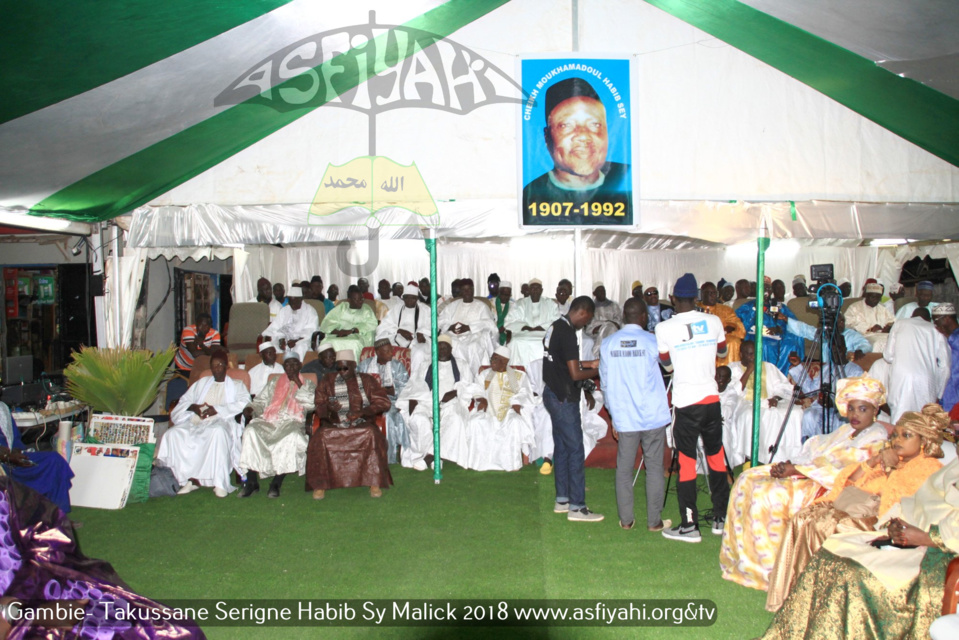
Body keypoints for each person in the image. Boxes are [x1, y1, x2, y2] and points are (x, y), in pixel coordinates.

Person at [765, 404, 946, 612]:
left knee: (827, 524)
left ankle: (822, 603)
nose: (897, 441)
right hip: (860, 507)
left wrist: (892, 471)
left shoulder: (929, 468)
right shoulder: (891, 456)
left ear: (923, 441)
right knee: (805, 517)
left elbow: (902, 505)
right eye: (895, 435)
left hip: (885, 522)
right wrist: (877, 459)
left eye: (906, 436)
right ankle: (794, 596)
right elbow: (850, 481)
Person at [720, 377, 893, 590]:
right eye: (852, 408)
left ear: (875, 410)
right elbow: (817, 447)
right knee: (748, 479)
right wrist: (791, 465)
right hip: (810, 473)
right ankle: (743, 561)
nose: (855, 414)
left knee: (768, 494)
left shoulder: (877, 437)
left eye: (862, 409)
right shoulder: (847, 430)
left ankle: (769, 570)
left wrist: (798, 470)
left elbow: (845, 469)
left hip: (832, 487)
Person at [761, 457, 959, 639]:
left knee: (854, 574)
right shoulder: (954, 466)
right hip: (911, 536)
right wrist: (896, 524)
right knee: (831, 553)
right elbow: (915, 503)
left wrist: (925, 537)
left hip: (941, 556)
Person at [654, 273, 728, 542]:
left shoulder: (663, 329)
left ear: (673, 299)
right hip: (711, 400)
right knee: (716, 459)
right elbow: (722, 354)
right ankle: (722, 518)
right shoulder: (714, 321)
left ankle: (689, 525)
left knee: (687, 464)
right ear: (696, 297)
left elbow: (667, 365)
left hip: (686, 402)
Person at [600, 298, 671, 531]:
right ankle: (654, 521)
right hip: (652, 415)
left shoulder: (608, 344)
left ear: (623, 316)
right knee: (654, 467)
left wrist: (613, 416)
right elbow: (670, 367)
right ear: (643, 317)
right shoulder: (653, 341)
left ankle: (627, 520)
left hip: (625, 416)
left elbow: (606, 384)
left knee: (624, 468)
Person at [521, 77, 630, 219]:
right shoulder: (532, 195)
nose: (583, 135)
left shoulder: (628, 180)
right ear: (547, 137)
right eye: (566, 125)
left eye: (595, 125)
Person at [158, 350, 251, 498]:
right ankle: (187, 479)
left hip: (221, 420)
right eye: (214, 366)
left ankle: (219, 482)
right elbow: (184, 401)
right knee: (173, 434)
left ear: (226, 366)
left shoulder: (236, 385)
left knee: (217, 433)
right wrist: (194, 407)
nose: (217, 368)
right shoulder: (201, 384)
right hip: (196, 420)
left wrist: (217, 410)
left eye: (221, 365)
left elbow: (245, 402)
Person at [542, 296, 603, 522]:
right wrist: (598, 371)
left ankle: (563, 499)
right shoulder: (568, 333)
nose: (586, 324)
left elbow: (563, 361)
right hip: (563, 397)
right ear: (582, 312)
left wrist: (589, 363)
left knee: (563, 447)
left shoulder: (555, 327)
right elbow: (575, 374)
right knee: (576, 448)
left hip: (552, 392)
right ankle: (577, 507)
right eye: (587, 319)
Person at [306, 351, 392, 500]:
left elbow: (384, 403)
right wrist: (329, 409)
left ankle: (374, 482)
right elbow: (319, 403)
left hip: (362, 423)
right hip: (335, 422)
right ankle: (320, 484)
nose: (341, 372)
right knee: (321, 436)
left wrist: (362, 412)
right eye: (338, 369)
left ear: (354, 366)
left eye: (345, 368)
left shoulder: (367, 380)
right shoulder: (328, 380)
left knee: (371, 434)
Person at [237, 354, 314, 499]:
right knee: (250, 431)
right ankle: (252, 482)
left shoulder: (308, 384)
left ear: (300, 365)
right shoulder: (274, 382)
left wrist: (298, 382)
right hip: (269, 419)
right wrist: (251, 408)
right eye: (287, 365)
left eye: (294, 364)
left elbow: (311, 404)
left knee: (291, 437)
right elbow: (260, 401)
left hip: (292, 421)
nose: (290, 368)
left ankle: (276, 483)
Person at [398, 335, 477, 470]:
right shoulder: (425, 365)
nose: (442, 350)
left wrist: (455, 392)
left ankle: (430, 456)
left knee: (455, 420)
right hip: (426, 402)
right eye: (439, 347)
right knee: (418, 419)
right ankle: (436, 456)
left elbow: (469, 386)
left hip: (451, 403)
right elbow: (414, 385)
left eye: (445, 347)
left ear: (451, 349)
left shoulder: (461, 365)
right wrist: (412, 401)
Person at [724, 341, 803, 467]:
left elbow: (782, 388)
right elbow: (733, 392)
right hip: (746, 403)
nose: (753, 357)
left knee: (795, 412)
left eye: (755, 354)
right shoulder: (733, 368)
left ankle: (786, 455)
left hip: (770, 401)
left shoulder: (769, 367)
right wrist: (749, 371)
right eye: (749, 354)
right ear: (741, 354)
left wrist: (775, 399)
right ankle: (750, 457)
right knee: (750, 415)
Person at [466, 345, 535, 471]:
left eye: (495, 359)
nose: (491, 362)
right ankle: (477, 463)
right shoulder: (485, 375)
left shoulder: (519, 376)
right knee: (475, 422)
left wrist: (516, 402)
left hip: (509, 412)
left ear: (505, 361)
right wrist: (481, 398)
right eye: (492, 359)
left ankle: (512, 464)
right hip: (488, 412)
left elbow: (525, 392)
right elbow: (477, 388)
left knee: (515, 423)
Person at [0, 399, 73, 513]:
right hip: (2, 465)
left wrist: (16, 452)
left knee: (54, 460)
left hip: (12, 459)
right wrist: (7, 457)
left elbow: (15, 440)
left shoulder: (2, 408)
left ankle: (59, 516)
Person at [884, 306, 950, 422]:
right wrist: (939, 392)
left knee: (899, 416)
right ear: (929, 319)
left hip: (901, 377)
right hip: (926, 380)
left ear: (911, 316)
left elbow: (888, 356)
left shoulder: (900, 323)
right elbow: (945, 366)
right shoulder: (935, 329)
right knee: (923, 420)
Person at [358, 339, 411, 465]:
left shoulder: (397, 365)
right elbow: (357, 385)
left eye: (391, 350)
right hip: (368, 402)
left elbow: (405, 387)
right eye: (386, 352)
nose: (391, 354)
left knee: (387, 416)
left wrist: (392, 391)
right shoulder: (365, 365)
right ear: (377, 352)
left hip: (391, 401)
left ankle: (389, 457)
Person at [735, 288, 804, 374]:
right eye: (763, 288)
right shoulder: (749, 306)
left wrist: (778, 328)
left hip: (778, 336)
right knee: (764, 344)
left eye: (768, 289)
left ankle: (781, 376)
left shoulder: (779, 306)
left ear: (771, 291)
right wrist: (754, 311)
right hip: (755, 335)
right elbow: (737, 321)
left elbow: (792, 321)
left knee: (791, 344)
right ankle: (763, 375)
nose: (766, 291)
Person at [437, 279, 497, 375]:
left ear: (473, 290)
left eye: (469, 289)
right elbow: (440, 321)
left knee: (473, 347)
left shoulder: (482, 306)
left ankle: (474, 378)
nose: (467, 292)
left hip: (474, 335)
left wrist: (470, 327)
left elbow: (489, 323)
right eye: (464, 290)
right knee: (451, 345)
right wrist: (450, 326)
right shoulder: (453, 305)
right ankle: (454, 376)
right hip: (454, 335)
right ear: (460, 291)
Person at [377, 283, 432, 375]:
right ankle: (389, 376)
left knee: (419, 353)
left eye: (413, 298)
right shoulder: (396, 309)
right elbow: (384, 324)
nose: (409, 301)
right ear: (403, 298)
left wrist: (421, 332)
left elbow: (433, 324)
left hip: (418, 340)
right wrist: (398, 330)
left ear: (417, 299)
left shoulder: (425, 310)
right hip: (397, 337)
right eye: (407, 298)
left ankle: (414, 378)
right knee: (383, 344)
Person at [504, 278, 560, 367]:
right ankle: (517, 371)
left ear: (541, 290)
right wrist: (524, 326)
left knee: (550, 343)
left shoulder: (550, 303)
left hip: (544, 333)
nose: (535, 291)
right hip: (523, 333)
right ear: (529, 290)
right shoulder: (520, 303)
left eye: (537, 288)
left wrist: (542, 327)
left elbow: (557, 320)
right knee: (514, 342)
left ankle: (544, 371)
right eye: (533, 288)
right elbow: (509, 320)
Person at [261, 285, 319, 362]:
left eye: (295, 302)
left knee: (299, 348)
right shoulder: (284, 310)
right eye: (290, 302)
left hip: (302, 341)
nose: (292, 305)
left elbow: (310, 331)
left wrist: (295, 341)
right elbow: (276, 327)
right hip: (286, 340)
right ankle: (280, 370)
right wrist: (281, 339)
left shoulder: (310, 311)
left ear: (301, 299)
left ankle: (296, 370)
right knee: (272, 346)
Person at [319, 285, 377, 361]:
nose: (361, 301)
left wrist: (352, 330)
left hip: (357, 336)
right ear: (349, 300)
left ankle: (353, 369)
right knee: (326, 343)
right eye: (357, 299)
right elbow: (328, 322)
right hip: (338, 335)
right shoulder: (341, 307)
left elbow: (372, 324)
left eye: (361, 298)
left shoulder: (366, 309)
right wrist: (338, 332)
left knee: (354, 344)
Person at [698, 281, 744, 366]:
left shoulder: (725, 309)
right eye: (710, 293)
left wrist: (730, 327)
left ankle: (730, 372)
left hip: (722, 337)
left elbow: (737, 324)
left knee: (734, 342)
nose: (713, 296)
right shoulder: (696, 308)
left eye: (715, 293)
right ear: (702, 294)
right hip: (700, 338)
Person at [845, 282, 895, 352]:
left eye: (878, 298)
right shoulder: (854, 307)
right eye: (873, 297)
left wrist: (888, 327)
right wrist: (870, 328)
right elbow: (847, 324)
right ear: (866, 295)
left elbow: (892, 321)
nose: (875, 300)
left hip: (882, 336)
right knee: (877, 344)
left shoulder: (882, 308)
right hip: (863, 337)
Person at [933, 303, 959, 413]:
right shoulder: (948, 336)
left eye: (936, 320)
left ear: (947, 318)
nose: (935, 323)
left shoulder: (955, 338)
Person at [585, 282, 622, 358]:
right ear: (594, 293)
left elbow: (618, 323)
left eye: (603, 290)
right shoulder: (590, 307)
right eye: (599, 291)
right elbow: (591, 327)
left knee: (609, 328)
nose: (602, 292)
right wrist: (607, 324)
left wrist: (604, 325)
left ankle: (598, 355)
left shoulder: (614, 305)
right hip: (597, 336)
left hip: (613, 333)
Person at [494, 280, 513, 346]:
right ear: (499, 292)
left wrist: (508, 329)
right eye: (503, 294)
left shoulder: (513, 305)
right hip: (493, 331)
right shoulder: (490, 303)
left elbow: (515, 321)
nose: (505, 297)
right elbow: (487, 320)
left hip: (507, 331)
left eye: (508, 295)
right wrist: (497, 328)